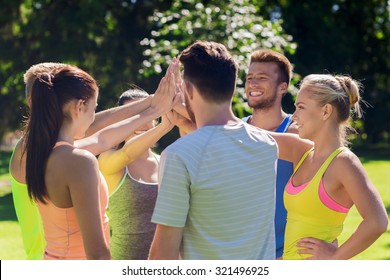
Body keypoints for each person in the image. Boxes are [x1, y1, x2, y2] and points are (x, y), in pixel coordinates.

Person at [13, 63, 176, 259]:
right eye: (93, 107)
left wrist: (153, 105)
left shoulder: (44, 151)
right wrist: (155, 113)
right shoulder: (65, 157)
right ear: (79, 106)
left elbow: (101, 137)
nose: (93, 117)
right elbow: (97, 253)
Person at [149, 41, 278, 260]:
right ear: (232, 86)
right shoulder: (267, 145)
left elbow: (163, 257)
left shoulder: (179, 155)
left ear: (187, 89)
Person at [267, 74, 388, 259]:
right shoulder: (304, 152)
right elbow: (254, 139)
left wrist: (334, 258)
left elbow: (377, 222)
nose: (294, 116)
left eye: (301, 107)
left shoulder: (343, 162)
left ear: (325, 111)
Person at [98, 88, 175, 260]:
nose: (141, 123)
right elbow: (128, 153)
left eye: (148, 115)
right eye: (134, 117)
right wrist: (165, 126)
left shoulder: (166, 161)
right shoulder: (107, 159)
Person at [243, 49, 298, 258]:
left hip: (282, 256)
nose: (253, 84)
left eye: (262, 78)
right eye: (250, 78)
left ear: (282, 87)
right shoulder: (234, 129)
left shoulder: (297, 132)